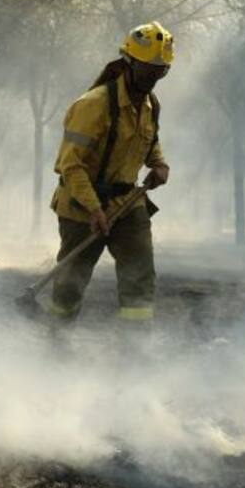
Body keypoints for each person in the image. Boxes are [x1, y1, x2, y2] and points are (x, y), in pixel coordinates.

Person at [48, 22, 173, 324]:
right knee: (70, 283)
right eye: (148, 70)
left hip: (128, 204)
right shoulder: (93, 106)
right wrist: (94, 209)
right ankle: (56, 337)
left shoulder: (150, 105)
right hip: (81, 205)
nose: (153, 79)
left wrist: (159, 165)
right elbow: (71, 165)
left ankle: (136, 343)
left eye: (160, 72)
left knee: (140, 276)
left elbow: (149, 142)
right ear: (128, 62)